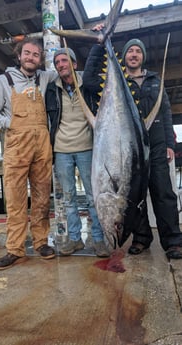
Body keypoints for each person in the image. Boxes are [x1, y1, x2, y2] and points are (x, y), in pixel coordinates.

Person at [83, 28, 182, 259]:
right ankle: (141, 239)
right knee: (133, 196)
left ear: (142, 57)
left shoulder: (154, 80)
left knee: (163, 193)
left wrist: (170, 143)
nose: (134, 54)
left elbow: (165, 113)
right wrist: (100, 45)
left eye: (138, 51)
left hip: (155, 146)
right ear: (125, 56)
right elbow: (87, 80)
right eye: (130, 51)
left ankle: (173, 241)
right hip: (129, 149)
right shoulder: (117, 80)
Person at [0, 38, 57, 270]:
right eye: (27, 53)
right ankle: (15, 249)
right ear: (19, 56)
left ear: (40, 59)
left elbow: (69, 70)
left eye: (36, 54)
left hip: (42, 147)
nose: (31, 57)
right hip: (16, 147)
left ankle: (41, 243)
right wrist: (10, 124)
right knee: (16, 200)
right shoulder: (4, 80)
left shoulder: (44, 78)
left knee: (41, 197)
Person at [45, 47, 109, 257]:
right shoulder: (51, 89)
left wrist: (98, 45)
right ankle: (75, 239)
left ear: (74, 63)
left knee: (93, 196)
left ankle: (98, 240)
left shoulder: (88, 86)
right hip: (62, 150)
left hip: (88, 149)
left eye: (64, 61)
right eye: (57, 63)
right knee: (69, 198)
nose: (61, 65)